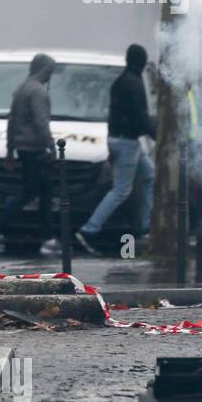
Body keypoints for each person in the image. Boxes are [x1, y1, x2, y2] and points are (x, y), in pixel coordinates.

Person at [75, 44, 156, 255]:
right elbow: (140, 116)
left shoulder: (120, 81)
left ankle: (146, 226)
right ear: (141, 61)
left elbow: (116, 114)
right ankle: (89, 230)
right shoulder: (135, 83)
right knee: (121, 189)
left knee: (149, 175)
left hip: (120, 139)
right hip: (128, 142)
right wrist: (156, 133)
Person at [0, 54, 60, 257]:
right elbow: (42, 122)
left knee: (44, 193)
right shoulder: (38, 92)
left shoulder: (20, 88)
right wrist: (52, 147)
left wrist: (9, 150)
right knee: (31, 191)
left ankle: (48, 239)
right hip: (36, 149)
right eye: (49, 70)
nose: (50, 75)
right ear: (43, 70)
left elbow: (11, 122)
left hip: (23, 149)